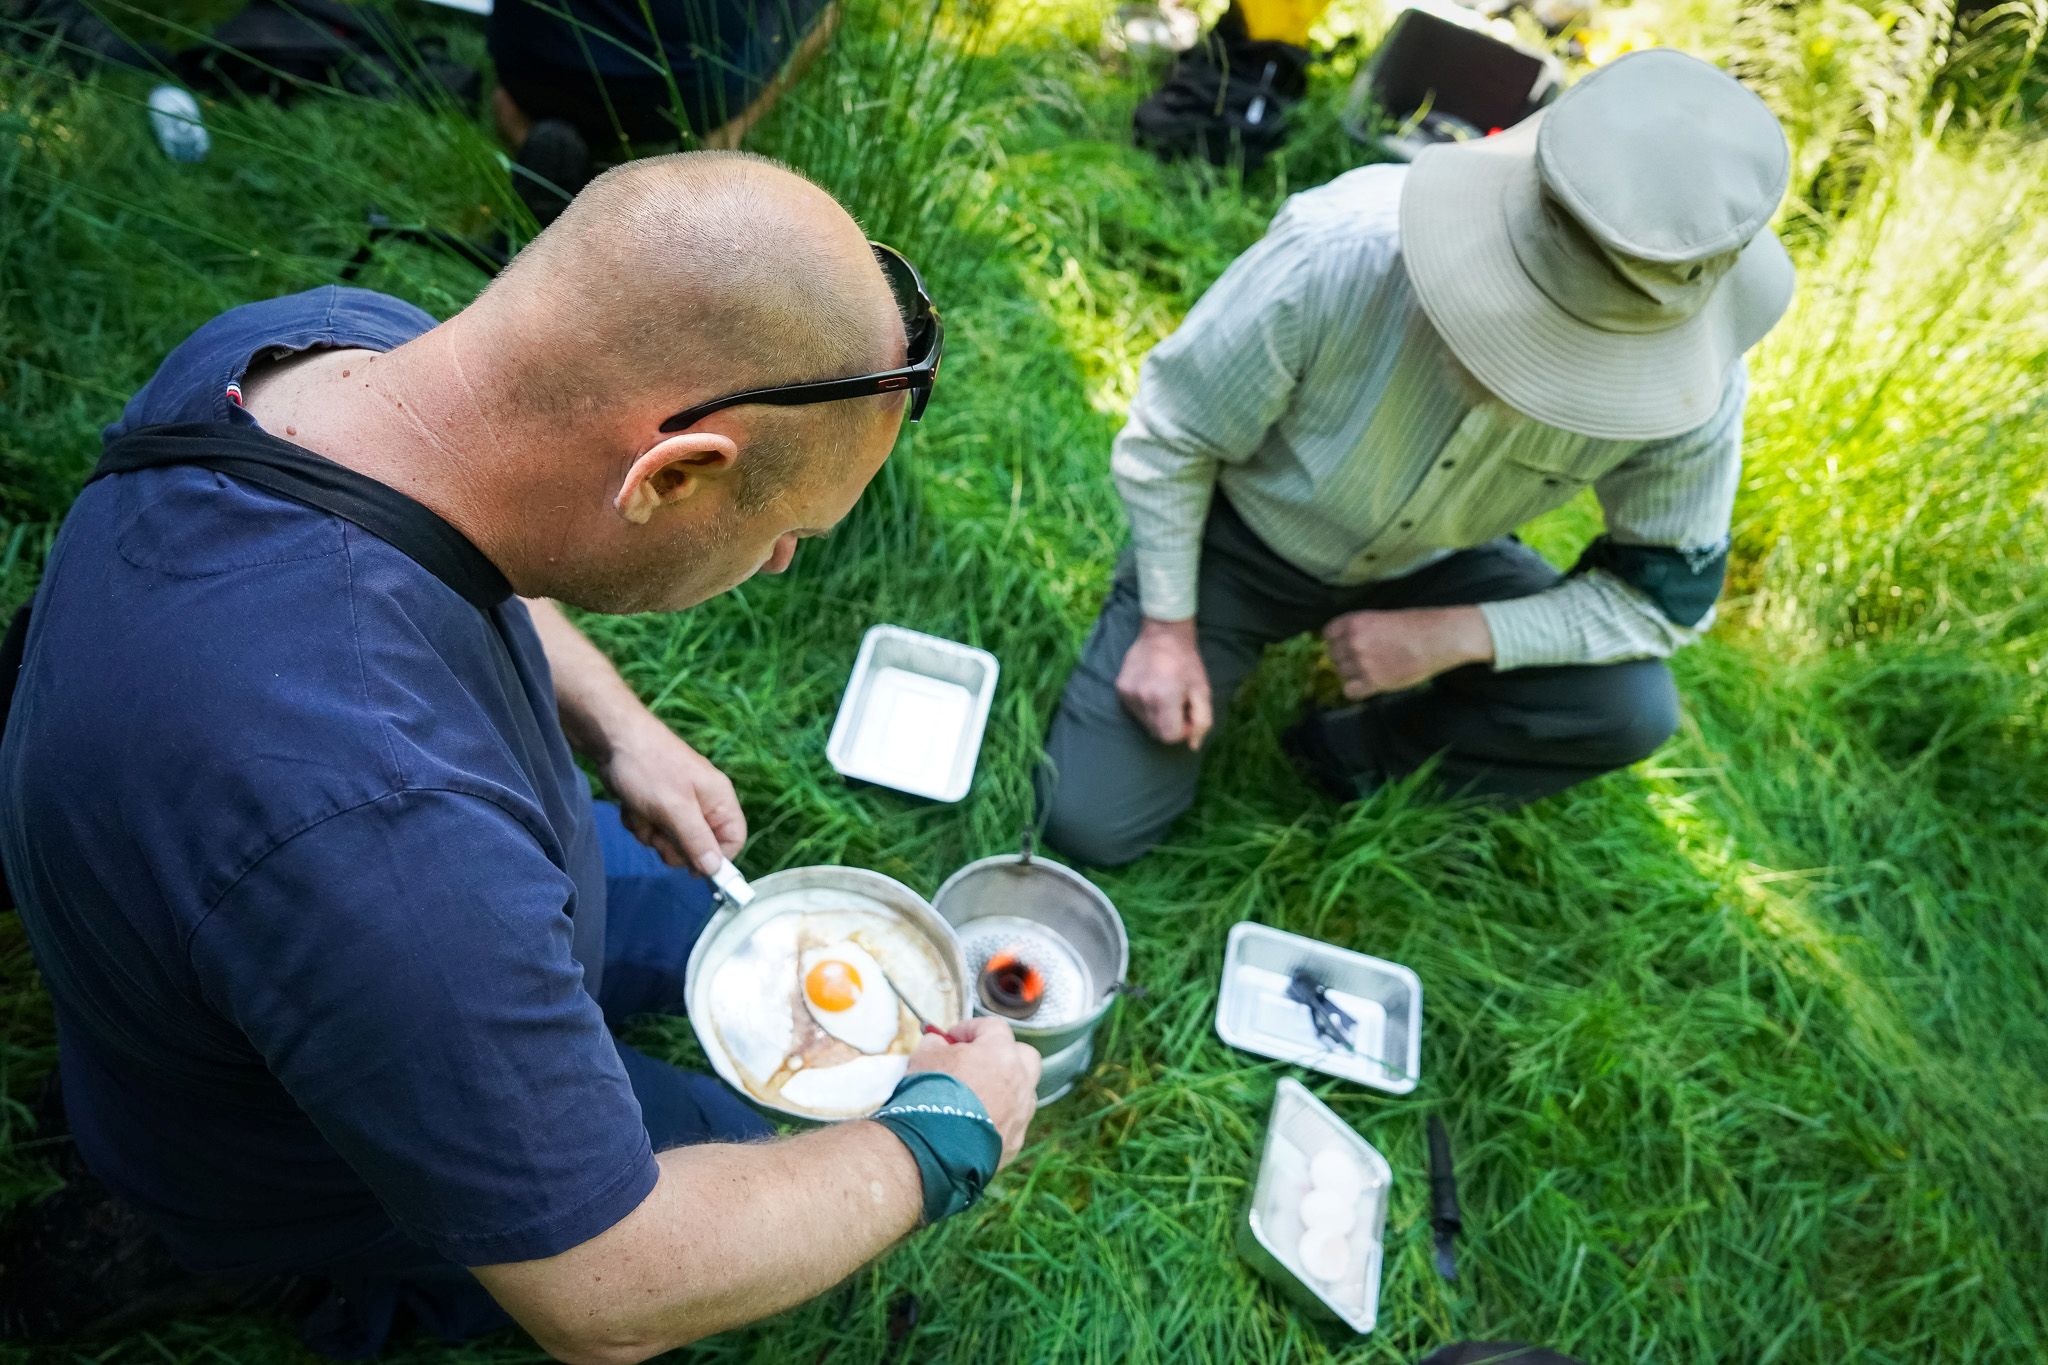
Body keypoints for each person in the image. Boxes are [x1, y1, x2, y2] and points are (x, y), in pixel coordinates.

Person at [0, 151, 1039, 1360]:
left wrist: (619, 728)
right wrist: (934, 1144)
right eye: (786, 533)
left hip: (327, 895)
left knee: (693, 914)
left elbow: (462, 541)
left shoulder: (322, 358)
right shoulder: (382, 834)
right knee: (748, 1160)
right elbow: (610, 1290)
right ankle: (301, 1281)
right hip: (287, 1144)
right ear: (673, 476)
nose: (777, 565)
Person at [1039, 49, 1797, 867]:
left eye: (1578, 370)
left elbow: (1662, 597)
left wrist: (1455, 634)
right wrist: (1165, 627)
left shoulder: (1692, 384)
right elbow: (1173, 434)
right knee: (1088, 820)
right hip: (1244, 534)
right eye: (1509, 328)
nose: (1525, 381)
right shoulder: (1336, 251)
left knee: (1627, 706)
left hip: (1440, 562)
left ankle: (1354, 754)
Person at [489, 0, 838, 221]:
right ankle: (711, 147)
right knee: (830, 7)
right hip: (682, 93)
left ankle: (536, 142)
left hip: (535, 68)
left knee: (514, 78)